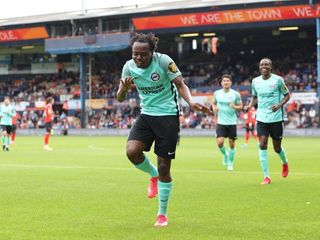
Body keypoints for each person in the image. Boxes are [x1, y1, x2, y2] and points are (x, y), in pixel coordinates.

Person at [116, 32, 211, 227]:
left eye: (143, 54)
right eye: (135, 54)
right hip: (146, 115)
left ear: (152, 52)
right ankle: (153, 176)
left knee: (164, 167)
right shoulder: (128, 67)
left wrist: (191, 102)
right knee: (132, 152)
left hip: (168, 116)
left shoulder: (164, 62)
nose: (138, 58)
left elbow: (180, 85)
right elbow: (119, 97)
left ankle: (162, 214)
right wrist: (124, 89)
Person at [245, 58, 290, 185]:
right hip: (262, 118)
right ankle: (266, 176)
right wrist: (249, 105)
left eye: (267, 64)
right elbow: (254, 97)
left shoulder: (278, 80)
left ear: (271, 67)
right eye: (262, 64)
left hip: (276, 118)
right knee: (262, 144)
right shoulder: (255, 81)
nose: (264, 66)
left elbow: (287, 95)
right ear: (259, 67)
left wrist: (279, 105)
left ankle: (285, 162)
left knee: (277, 148)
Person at [212, 74, 243, 171]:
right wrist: (214, 108)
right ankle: (225, 155)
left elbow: (241, 106)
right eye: (224, 80)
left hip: (232, 122)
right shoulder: (217, 93)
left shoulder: (235, 94)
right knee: (220, 142)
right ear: (221, 83)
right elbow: (214, 103)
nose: (226, 82)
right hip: (221, 122)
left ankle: (230, 163)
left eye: (227, 81)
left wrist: (235, 107)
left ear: (231, 83)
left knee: (232, 144)